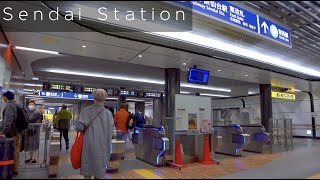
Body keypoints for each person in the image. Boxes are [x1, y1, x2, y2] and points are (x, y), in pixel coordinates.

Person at [74, 89, 114, 179]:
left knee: (87, 169)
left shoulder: (86, 111)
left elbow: (79, 127)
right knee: (99, 170)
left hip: (88, 144)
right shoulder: (108, 113)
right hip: (103, 145)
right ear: (104, 99)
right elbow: (111, 130)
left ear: (94, 98)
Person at [0, 91, 20, 176]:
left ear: (6, 97)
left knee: (14, 151)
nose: (2, 98)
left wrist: (2, 131)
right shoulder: (15, 104)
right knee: (16, 150)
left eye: (3, 96)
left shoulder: (9, 105)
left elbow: (8, 121)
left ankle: (13, 170)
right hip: (16, 131)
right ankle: (15, 169)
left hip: (12, 132)